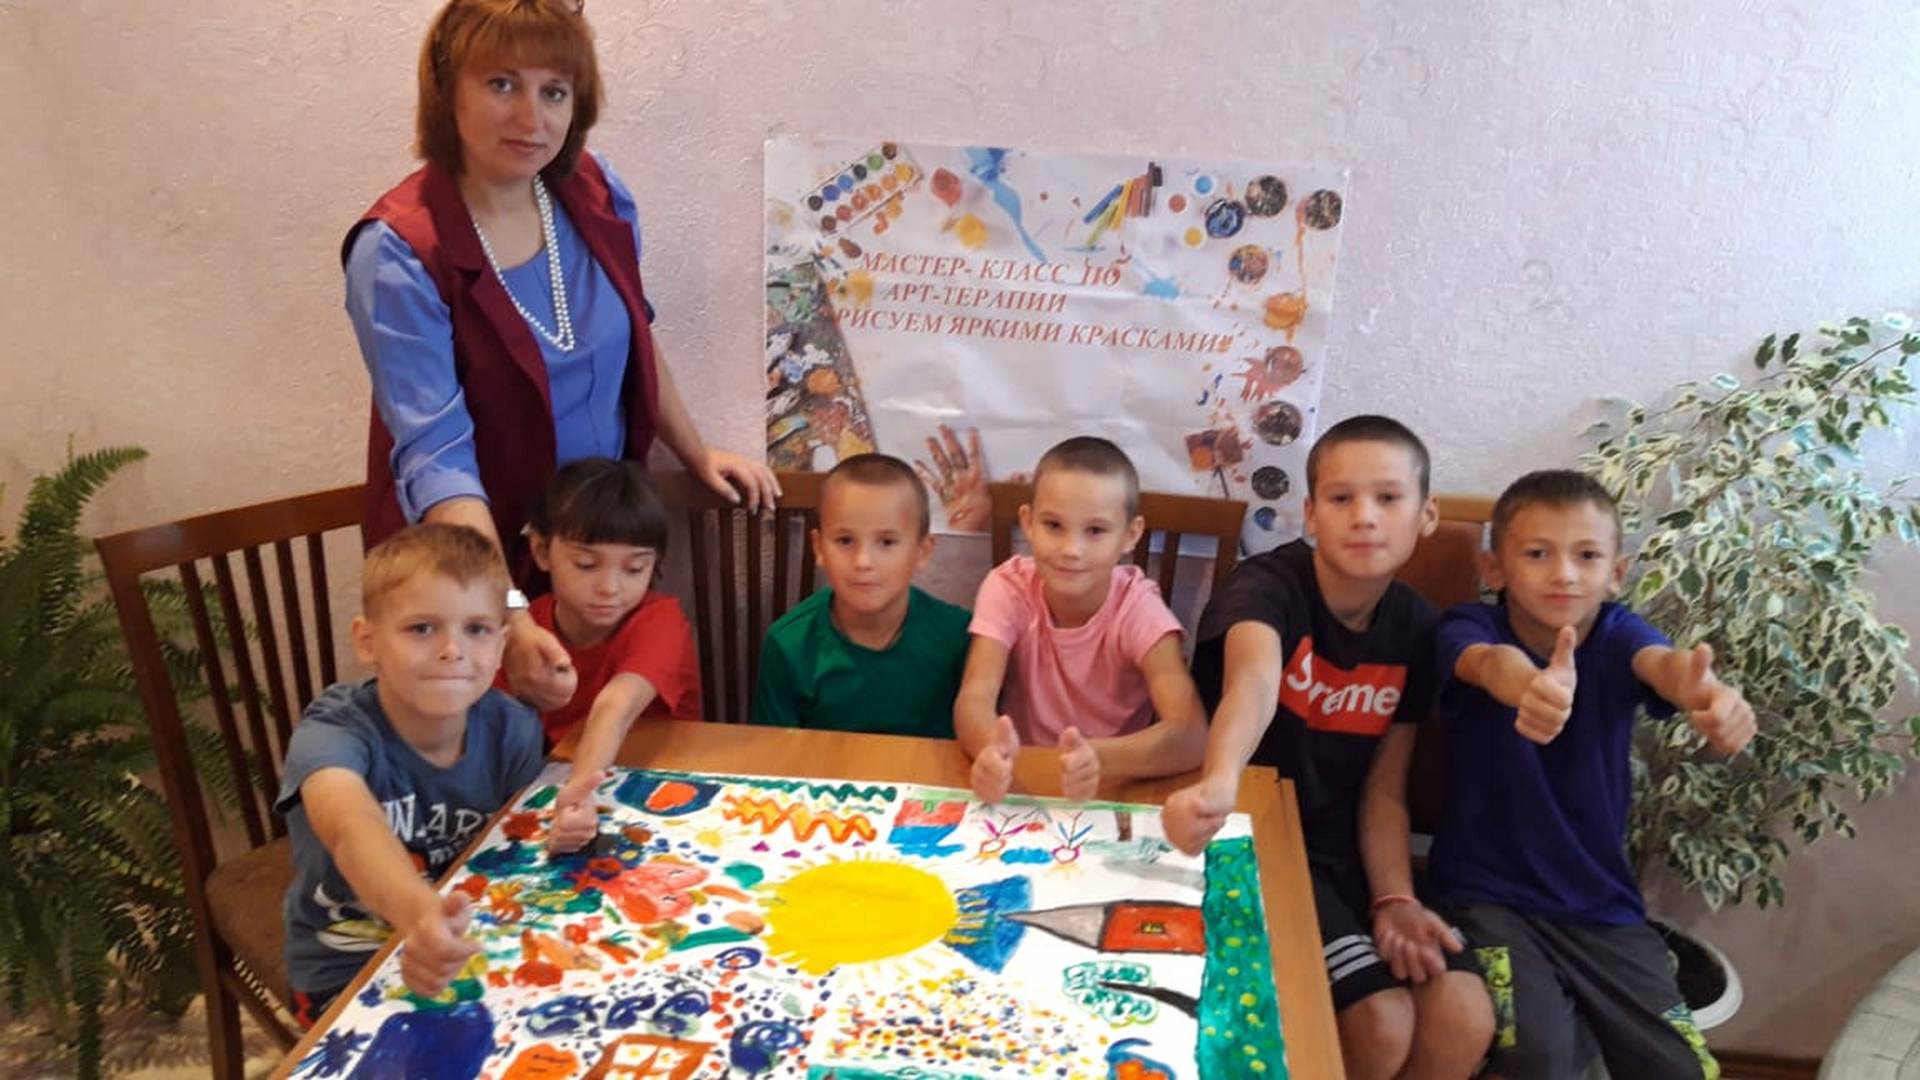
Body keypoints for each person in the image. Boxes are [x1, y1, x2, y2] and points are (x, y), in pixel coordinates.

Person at [342, 0, 777, 710]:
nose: (532, 118)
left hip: (588, 550)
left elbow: (634, 333)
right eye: (502, 84)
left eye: (554, 91)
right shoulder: (398, 249)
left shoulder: (594, 192)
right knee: (494, 756)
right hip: (466, 574)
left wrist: (695, 452)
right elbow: (437, 459)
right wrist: (508, 611)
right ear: (447, 89)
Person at [1161, 415, 1493, 1080]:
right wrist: (1221, 780)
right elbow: (1253, 682)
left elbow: (1385, 791)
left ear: (1426, 514)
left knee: (1464, 1015)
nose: (1364, 516)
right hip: (1261, 839)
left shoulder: (1417, 628)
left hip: (1349, 855)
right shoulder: (1266, 587)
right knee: (1382, 1020)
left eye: (1388, 498)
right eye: (1342, 498)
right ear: (1311, 513)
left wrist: (1395, 900)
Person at [1429, 469, 1753, 1079]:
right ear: (1494, 568)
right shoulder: (1468, 627)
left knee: (1683, 1068)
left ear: (1617, 573)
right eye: (1537, 554)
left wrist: (1701, 691)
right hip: (1488, 899)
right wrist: (1528, 685)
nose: (1564, 574)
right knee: (1539, 1058)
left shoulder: (1618, 634)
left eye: (1587, 556)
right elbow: (1487, 663)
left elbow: (1661, 664)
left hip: (1601, 903)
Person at [276, 524, 543, 1027]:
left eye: (477, 629)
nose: (452, 650)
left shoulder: (513, 729)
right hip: (346, 966)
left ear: (502, 644)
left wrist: (562, 826)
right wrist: (421, 917)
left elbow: (520, 847)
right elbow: (352, 828)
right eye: (422, 628)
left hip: (474, 941)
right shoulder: (332, 731)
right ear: (368, 641)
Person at [954, 436, 1207, 802]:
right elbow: (974, 698)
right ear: (1028, 522)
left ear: (1130, 536)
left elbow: (1191, 735)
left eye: (1095, 530)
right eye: (1054, 525)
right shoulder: (1007, 587)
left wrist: (1097, 758)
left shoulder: (1139, 609)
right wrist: (991, 749)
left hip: (1109, 787)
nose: (1071, 549)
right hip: (1021, 781)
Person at [516, 459, 701, 854]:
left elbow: (613, 708)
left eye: (634, 569)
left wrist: (578, 796)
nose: (609, 588)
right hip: (555, 791)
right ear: (541, 551)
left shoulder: (661, 620)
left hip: (663, 791)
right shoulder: (528, 631)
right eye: (586, 565)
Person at [750, 454, 971, 736]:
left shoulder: (960, 637)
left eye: (886, 542)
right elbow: (770, 754)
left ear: (922, 551)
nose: (863, 561)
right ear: (819, 548)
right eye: (845, 540)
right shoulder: (788, 644)